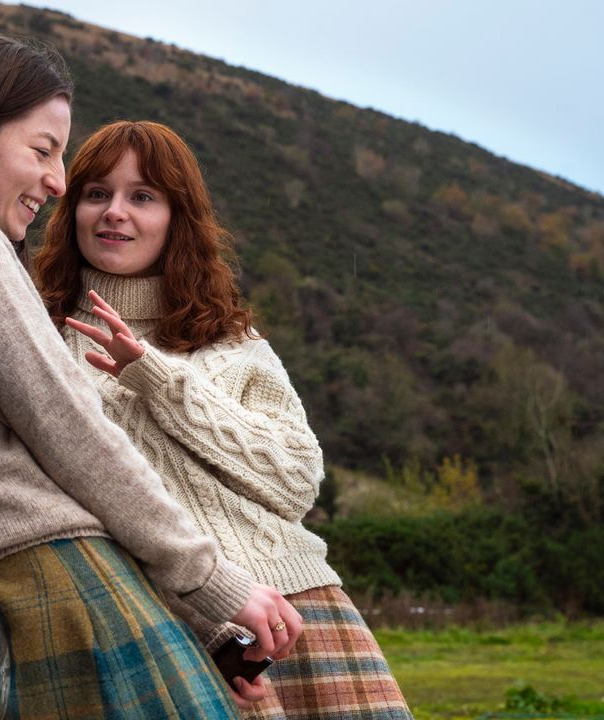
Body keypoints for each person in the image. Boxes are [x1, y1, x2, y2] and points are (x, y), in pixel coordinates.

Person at [0, 34, 304, 718]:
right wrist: (216, 586)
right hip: (60, 587)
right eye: (42, 150)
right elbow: (75, 436)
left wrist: (201, 628)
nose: (56, 181)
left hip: (20, 589)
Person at [32, 120, 411, 719]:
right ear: (70, 207)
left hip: (297, 611)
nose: (115, 213)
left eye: (143, 197)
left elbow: (293, 482)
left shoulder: (230, 341)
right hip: (156, 624)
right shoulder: (29, 329)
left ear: (177, 218)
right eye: (97, 193)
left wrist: (157, 381)